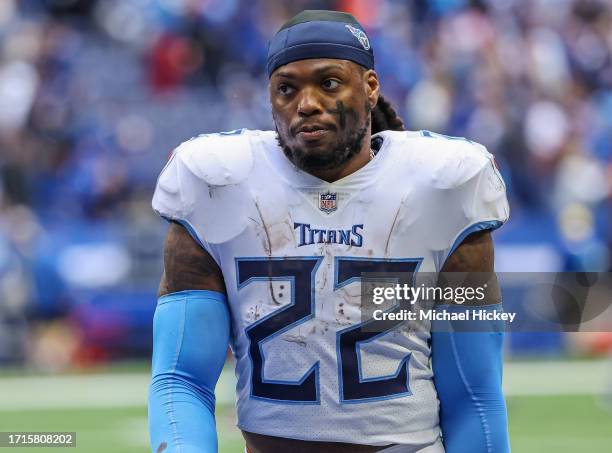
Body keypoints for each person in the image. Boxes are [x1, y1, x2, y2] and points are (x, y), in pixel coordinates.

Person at [148, 10, 510, 453]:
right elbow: (181, 378)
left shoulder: (444, 186)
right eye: (287, 88)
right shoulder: (215, 182)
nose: (306, 103)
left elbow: (473, 396)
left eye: (329, 83)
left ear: (370, 87)